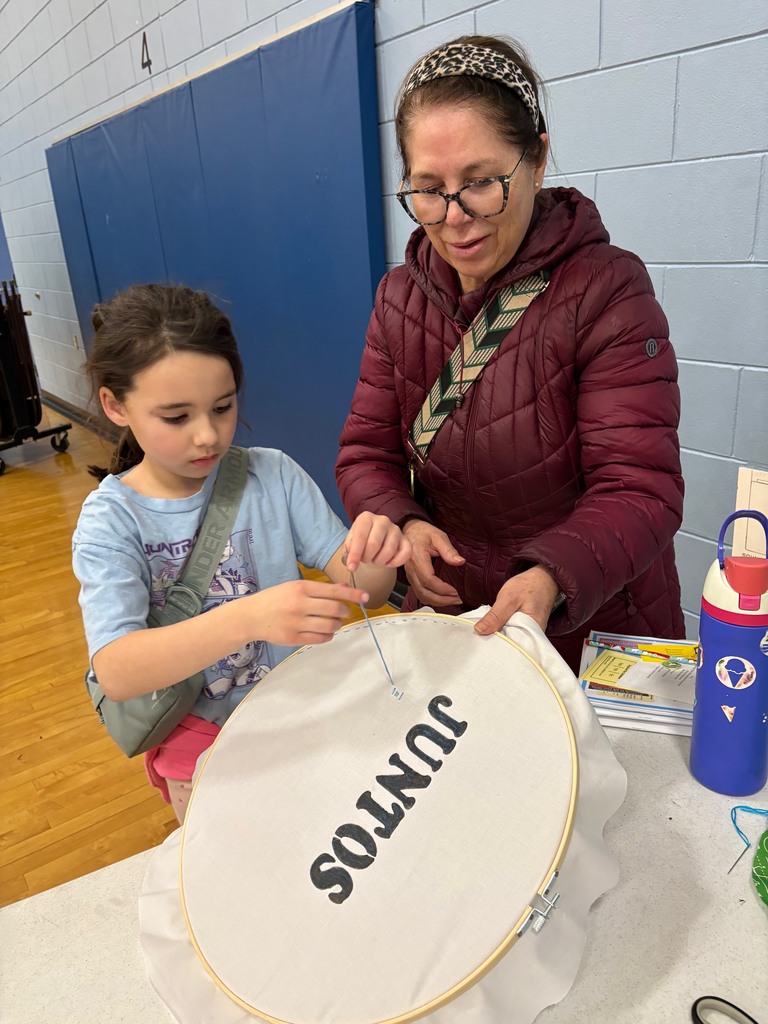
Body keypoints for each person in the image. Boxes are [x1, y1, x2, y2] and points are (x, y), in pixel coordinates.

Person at [336, 35, 685, 672]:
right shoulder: (398, 299)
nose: (454, 217)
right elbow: (366, 454)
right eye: (427, 188)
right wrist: (403, 523)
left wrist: (550, 577)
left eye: (481, 183)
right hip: (460, 629)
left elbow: (640, 488)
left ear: (537, 159)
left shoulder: (605, 291)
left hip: (590, 624)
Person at [73, 283, 411, 823]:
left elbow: (364, 588)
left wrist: (378, 550)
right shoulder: (111, 520)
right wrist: (250, 617)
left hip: (304, 718)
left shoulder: (271, 473)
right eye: (176, 417)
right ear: (116, 404)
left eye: (223, 407)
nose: (208, 435)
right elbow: (116, 670)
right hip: (201, 746)